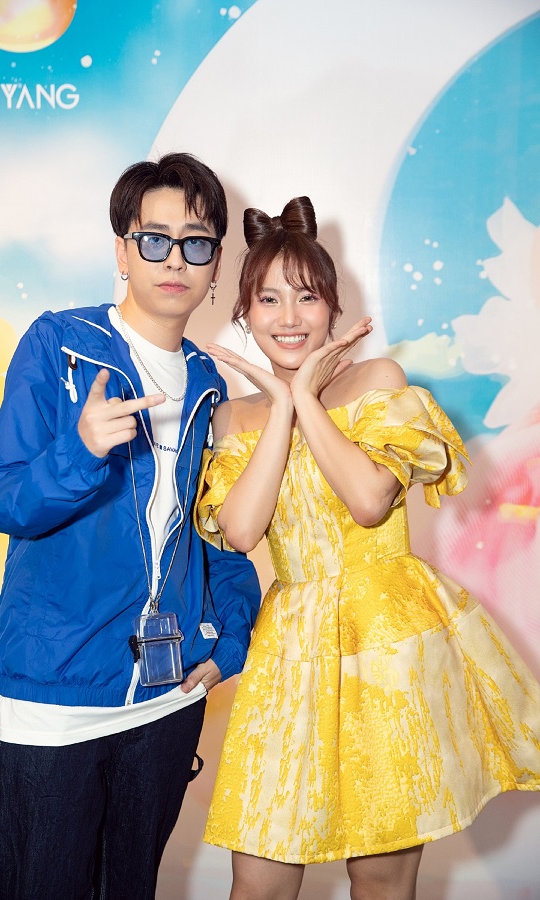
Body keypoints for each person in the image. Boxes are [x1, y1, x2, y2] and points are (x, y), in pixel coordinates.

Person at [194, 196, 540, 900]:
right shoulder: (235, 418)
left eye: (306, 296)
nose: (289, 316)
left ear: (333, 305)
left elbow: (369, 501)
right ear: (244, 313)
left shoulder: (379, 381)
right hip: (290, 648)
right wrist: (281, 406)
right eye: (268, 299)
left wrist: (305, 398)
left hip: (388, 642)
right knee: (258, 882)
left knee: (380, 880)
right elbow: (242, 531)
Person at [0, 152, 260, 900]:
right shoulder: (60, 344)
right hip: (59, 695)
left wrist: (229, 640)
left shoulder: (209, 382)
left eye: (196, 243)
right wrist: (79, 451)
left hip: (168, 698)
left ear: (216, 263)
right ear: (122, 251)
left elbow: (211, 533)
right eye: (154, 239)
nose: (175, 260)